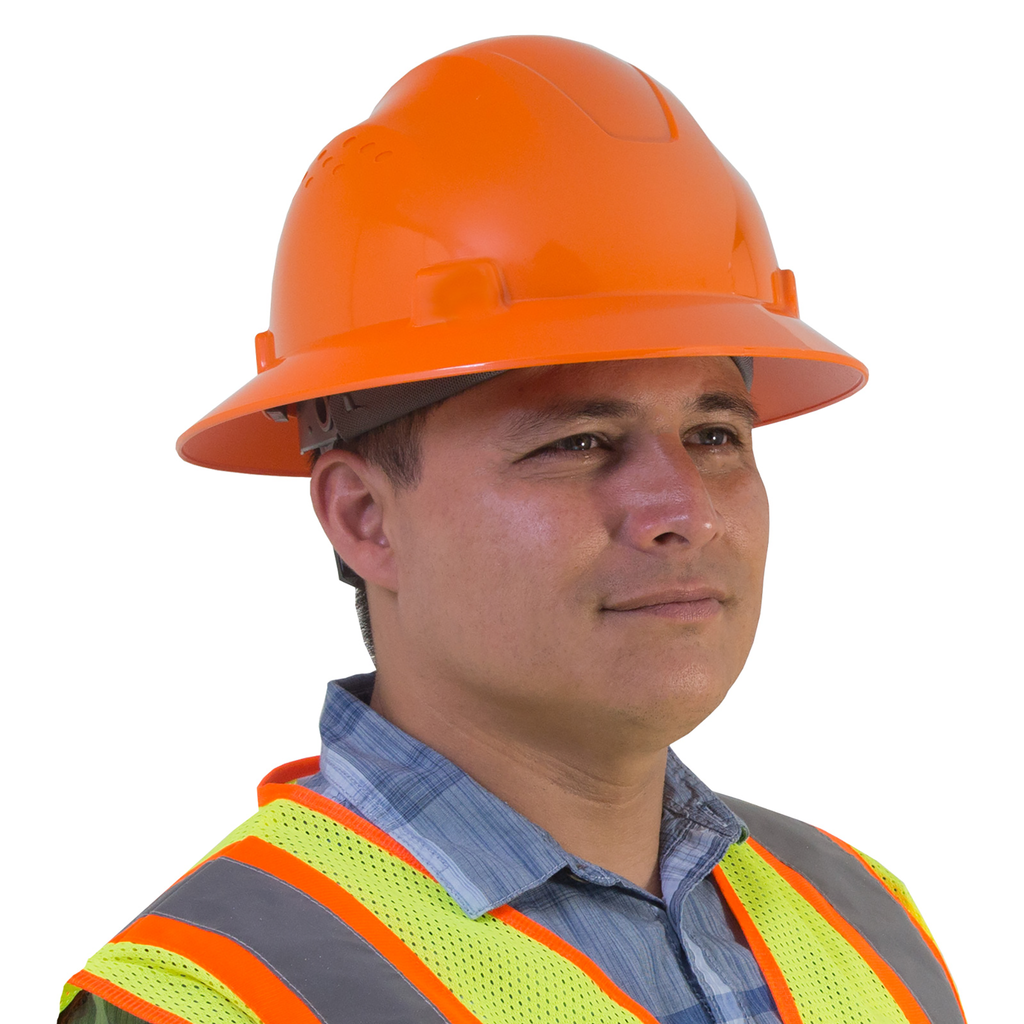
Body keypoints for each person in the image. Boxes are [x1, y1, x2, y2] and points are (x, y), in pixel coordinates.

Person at [58, 35, 965, 1024]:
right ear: (365, 519)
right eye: (578, 442)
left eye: (713, 435)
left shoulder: (867, 927)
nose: (683, 509)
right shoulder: (218, 1000)